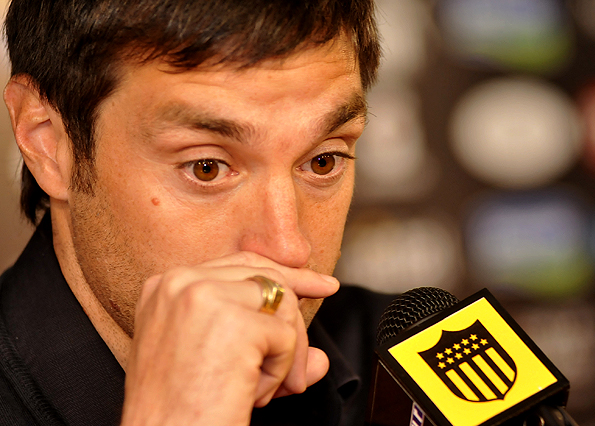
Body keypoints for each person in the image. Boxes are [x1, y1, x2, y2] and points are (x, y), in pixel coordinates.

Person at [0, 0, 396, 425]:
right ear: (48, 143)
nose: (289, 248)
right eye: (206, 168)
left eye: (322, 162)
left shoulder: (408, 361)